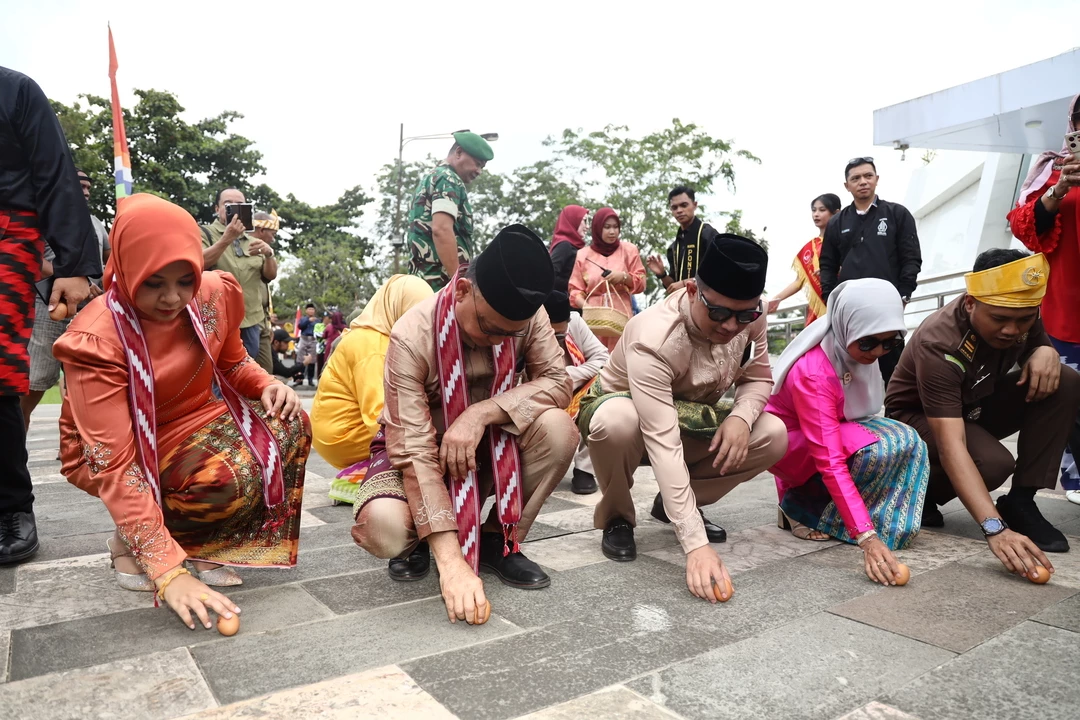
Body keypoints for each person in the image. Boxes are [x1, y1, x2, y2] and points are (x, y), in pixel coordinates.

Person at [54, 193, 310, 629]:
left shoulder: (213, 294)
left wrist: (269, 384)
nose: (173, 298)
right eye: (154, 282)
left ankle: (199, 542)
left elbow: (233, 364)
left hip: (193, 418)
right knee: (219, 476)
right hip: (118, 447)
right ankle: (135, 542)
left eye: (184, 280)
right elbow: (114, 463)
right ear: (127, 265)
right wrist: (168, 575)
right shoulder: (97, 339)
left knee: (290, 423)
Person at [351, 225, 577, 624]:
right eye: (489, 328)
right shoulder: (412, 334)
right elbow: (415, 451)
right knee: (383, 526)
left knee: (559, 429)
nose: (499, 341)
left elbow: (558, 383)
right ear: (461, 293)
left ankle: (498, 540)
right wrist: (453, 566)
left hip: (490, 448)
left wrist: (482, 413)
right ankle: (423, 542)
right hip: (419, 454)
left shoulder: (529, 317)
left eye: (512, 334)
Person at [579, 235, 787, 602]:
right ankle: (617, 516)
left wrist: (741, 417)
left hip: (690, 417)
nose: (731, 327)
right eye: (719, 313)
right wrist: (695, 545)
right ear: (692, 290)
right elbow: (663, 442)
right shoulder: (654, 338)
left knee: (773, 432)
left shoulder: (753, 318)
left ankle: (679, 503)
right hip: (631, 424)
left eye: (745, 315)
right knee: (617, 420)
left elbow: (757, 378)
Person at [886, 250, 1080, 578]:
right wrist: (995, 529)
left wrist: (1045, 349)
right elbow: (951, 446)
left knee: (1065, 380)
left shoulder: (1019, 306)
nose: (1011, 329)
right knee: (993, 463)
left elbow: (1032, 337)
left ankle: (1021, 501)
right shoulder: (940, 343)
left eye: (1024, 319)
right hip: (916, 420)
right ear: (971, 303)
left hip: (973, 406)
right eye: (1000, 319)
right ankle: (918, 495)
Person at [766, 279, 930, 585]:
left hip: (823, 434)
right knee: (876, 447)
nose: (878, 352)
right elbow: (828, 459)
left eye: (890, 343)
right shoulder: (815, 372)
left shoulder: (851, 353)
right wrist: (866, 537)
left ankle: (845, 512)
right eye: (867, 343)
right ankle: (801, 507)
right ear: (844, 327)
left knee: (905, 440)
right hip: (788, 446)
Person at [0, 66, 99, 565]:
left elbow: (55, 171)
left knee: (4, 380)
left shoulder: (14, 90)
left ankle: (10, 508)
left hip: (10, 238)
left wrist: (74, 263)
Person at [1007, 95, 1080, 505]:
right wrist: (1060, 189)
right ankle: (1075, 476)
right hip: (1065, 309)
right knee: (1068, 395)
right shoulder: (1052, 168)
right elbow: (1023, 226)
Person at [310, 274, 433, 505]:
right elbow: (379, 414)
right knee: (423, 445)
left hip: (341, 431)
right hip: (344, 436)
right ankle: (357, 479)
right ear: (398, 307)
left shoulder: (377, 336)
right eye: (415, 314)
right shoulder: (372, 346)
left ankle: (366, 469)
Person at [820, 158, 922, 387]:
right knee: (845, 369)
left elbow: (911, 258)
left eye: (868, 176)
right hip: (850, 309)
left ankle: (897, 417)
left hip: (886, 306)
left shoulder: (897, 214)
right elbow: (827, 264)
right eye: (855, 178)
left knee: (894, 370)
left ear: (877, 179)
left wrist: (904, 295)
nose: (862, 182)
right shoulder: (837, 222)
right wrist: (829, 298)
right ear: (847, 185)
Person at [22, 167, 111, 432]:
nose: (85, 192)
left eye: (88, 188)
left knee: (85, 387)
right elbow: (32, 260)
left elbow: (109, 263)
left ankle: (77, 452)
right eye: (80, 185)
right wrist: (76, 280)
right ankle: (13, 450)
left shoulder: (95, 223)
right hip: (47, 309)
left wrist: (105, 286)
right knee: (31, 387)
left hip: (89, 312)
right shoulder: (44, 217)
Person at [199, 189, 278, 369]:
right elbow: (198, 263)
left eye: (240, 205)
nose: (234, 209)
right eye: (228, 204)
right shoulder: (205, 232)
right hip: (218, 319)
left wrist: (269, 254)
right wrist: (227, 238)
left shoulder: (252, 240)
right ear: (217, 208)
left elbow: (270, 276)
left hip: (251, 319)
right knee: (219, 374)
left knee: (246, 373)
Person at [407, 132, 494, 291]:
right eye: (477, 163)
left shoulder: (434, 176)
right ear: (459, 152)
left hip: (422, 282)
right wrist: (458, 283)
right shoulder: (448, 179)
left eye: (482, 167)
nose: (479, 171)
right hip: (438, 284)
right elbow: (441, 229)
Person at [543, 290, 609, 494]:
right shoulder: (527, 326)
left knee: (603, 389)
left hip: (575, 389)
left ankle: (584, 470)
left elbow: (602, 358)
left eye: (561, 335)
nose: (558, 339)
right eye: (552, 335)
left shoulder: (575, 322)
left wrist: (572, 375)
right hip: (539, 390)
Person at [568, 208, 647, 350]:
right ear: (598, 228)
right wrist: (588, 307)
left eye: (616, 227)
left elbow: (641, 282)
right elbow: (575, 290)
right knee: (594, 358)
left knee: (621, 357)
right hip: (593, 319)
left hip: (621, 315)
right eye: (607, 227)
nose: (612, 232)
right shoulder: (583, 255)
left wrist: (623, 277)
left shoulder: (629, 250)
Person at [766, 193, 842, 322]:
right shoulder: (810, 247)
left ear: (836, 213)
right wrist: (776, 299)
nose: (816, 214)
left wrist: (835, 270)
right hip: (818, 312)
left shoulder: (843, 241)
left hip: (841, 303)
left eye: (822, 210)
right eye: (814, 210)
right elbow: (799, 282)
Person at [646, 186, 720, 295]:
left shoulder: (707, 234)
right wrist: (662, 274)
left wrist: (686, 283)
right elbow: (673, 287)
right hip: (683, 305)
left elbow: (720, 272)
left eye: (684, 205)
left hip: (709, 303)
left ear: (694, 205)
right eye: (674, 207)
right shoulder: (674, 247)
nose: (679, 210)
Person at [251, 210, 281, 373]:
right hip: (246, 319)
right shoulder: (240, 247)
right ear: (262, 230)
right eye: (273, 233)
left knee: (265, 370)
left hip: (262, 320)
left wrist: (269, 254)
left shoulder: (265, 252)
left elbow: (271, 276)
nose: (273, 238)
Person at [548, 205, 590, 299]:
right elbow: (549, 276)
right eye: (584, 221)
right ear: (573, 220)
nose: (587, 226)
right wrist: (574, 284)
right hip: (565, 307)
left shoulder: (575, 247)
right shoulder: (564, 246)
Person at [294, 303, 317, 387]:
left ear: (314, 311)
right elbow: (300, 326)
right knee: (300, 360)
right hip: (304, 339)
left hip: (313, 340)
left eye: (312, 309)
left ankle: (310, 380)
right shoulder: (303, 319)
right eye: (309, 309)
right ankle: (299, 379)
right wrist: (308, 320)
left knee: (312, 360)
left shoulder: (317, 320)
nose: (311, 311)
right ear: (306, 311)